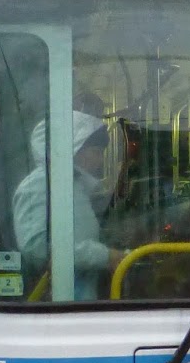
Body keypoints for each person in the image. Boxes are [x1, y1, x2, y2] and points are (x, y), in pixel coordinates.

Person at [11, 110, 124, 300]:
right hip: (51, 296)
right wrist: (105, 256)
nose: (100, 160)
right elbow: (36, 247)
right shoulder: (38, 186)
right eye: (95, 152)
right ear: (74, 149)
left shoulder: (72, 187)